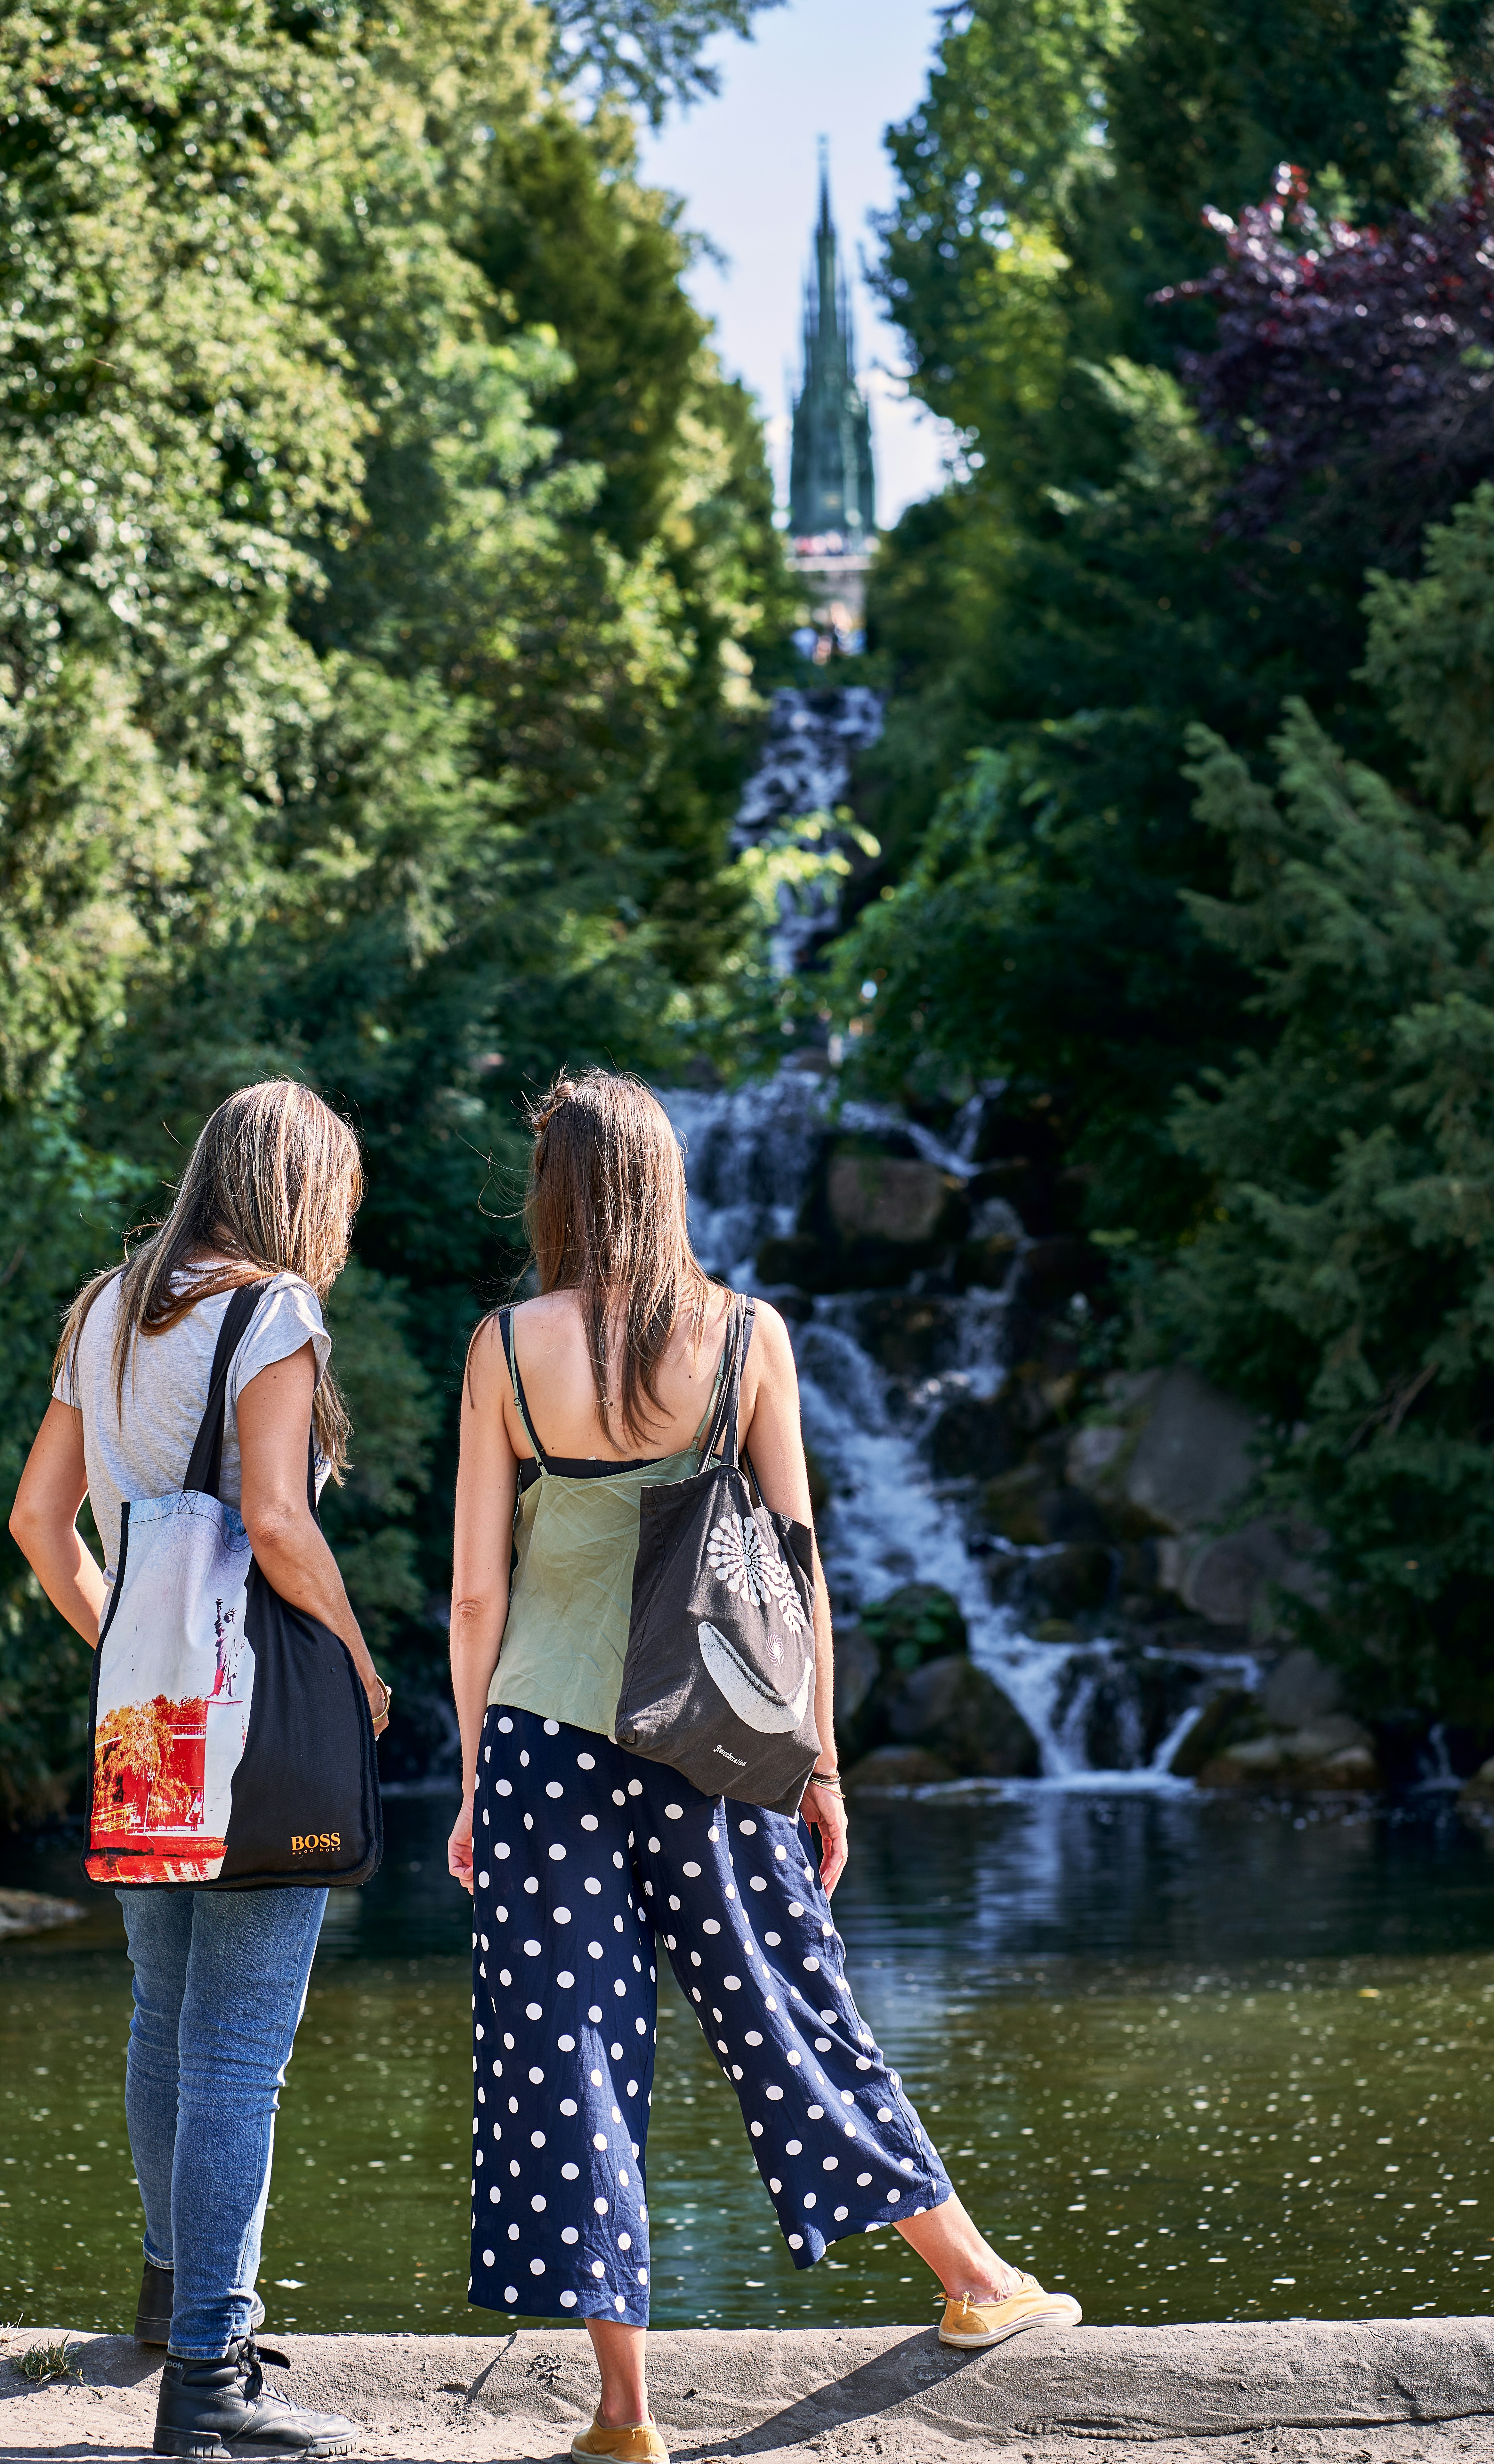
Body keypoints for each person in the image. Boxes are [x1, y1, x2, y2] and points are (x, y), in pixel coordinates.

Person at [448, 1070, 1080, 2464]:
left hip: (550, 1740)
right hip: (719, 1741)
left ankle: (625, 2416)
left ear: (555, 1194)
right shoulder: (746, 1335)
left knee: (573, 2054)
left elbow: (477, 1597)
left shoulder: (505, 1345)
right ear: (663, 1182)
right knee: (789, 2011)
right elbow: (795, 1575)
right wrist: (825, 1765)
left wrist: (481, 1769)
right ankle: (974, 2281)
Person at [9, 1079, 384, 2461]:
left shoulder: (107, 1308)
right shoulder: (274, 1310)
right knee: (236, 2042)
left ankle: (171, 2305)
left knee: (165, 2013)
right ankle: (214, 2382)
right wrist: (355, 1657)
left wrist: (135, 1643)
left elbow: (39, 1521)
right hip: (261, 1728)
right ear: (298, 1189)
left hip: (146, 1724)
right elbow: (279, 1521)